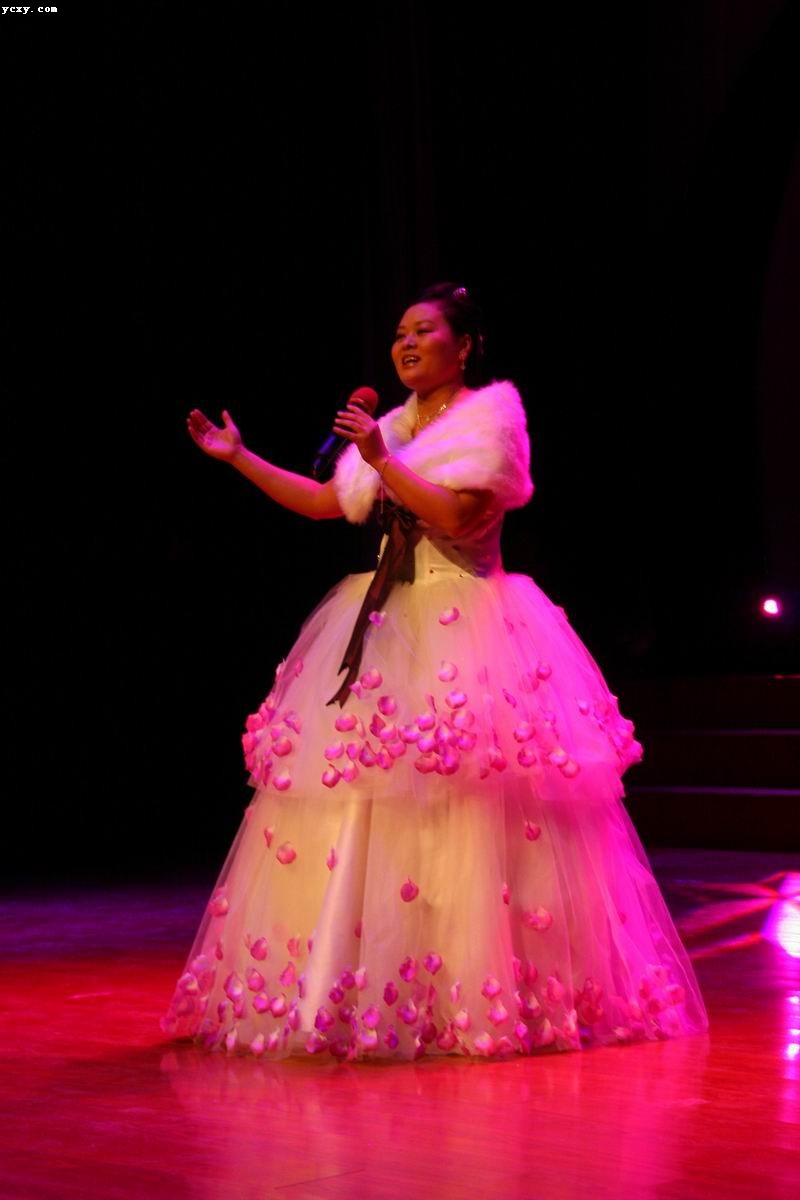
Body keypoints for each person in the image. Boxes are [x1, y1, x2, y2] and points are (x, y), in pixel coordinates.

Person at [160, 282, 709, 1062]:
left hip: (468, 628)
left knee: (467, 809)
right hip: (386, 627)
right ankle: (364, 989)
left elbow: (455, 516)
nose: (407, 344)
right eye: (398, 333)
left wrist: (383, 461)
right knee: (368, 803)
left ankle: (475, 991)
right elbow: (324, 502)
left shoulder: (492, 419)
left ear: (466, 344)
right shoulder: (388, 426)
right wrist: (239, 457)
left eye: (424, 330)